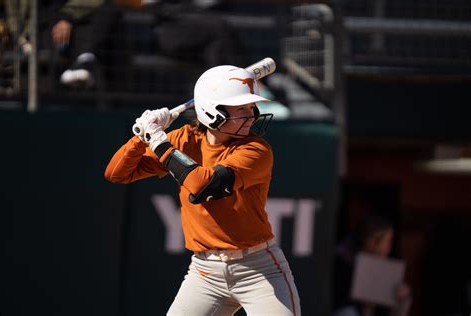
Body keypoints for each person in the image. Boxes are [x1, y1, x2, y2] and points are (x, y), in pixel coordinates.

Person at [104, 64, 301, 315]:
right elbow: (117, 173)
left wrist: (158, 141)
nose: (251, 115)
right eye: (241, 108)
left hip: (259, 270)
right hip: (205, 272)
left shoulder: (256, 149)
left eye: (251, 107)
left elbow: (206, 185)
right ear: (212, 112)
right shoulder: (184, 140)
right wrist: (142, 134)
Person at [333, 213, 412, 316]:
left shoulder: (386, 271)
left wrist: (403, 300)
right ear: (371, 242)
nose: (389, 247)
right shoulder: (343, 266)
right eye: (387, 241)